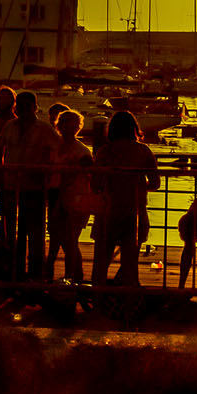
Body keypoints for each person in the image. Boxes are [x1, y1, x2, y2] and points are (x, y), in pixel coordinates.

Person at [0, 90, 60, 284]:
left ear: (34, 107)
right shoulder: (10, 126)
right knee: (12, 231)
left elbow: (59, 150)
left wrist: (46, 171)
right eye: (19, 106)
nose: (23, 110)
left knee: (35, 232)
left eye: (27, 106)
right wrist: (0, 171)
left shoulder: (45, 129)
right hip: (11, 185)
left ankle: (36, 274)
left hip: (34, 188)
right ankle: (15, 271)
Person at [92, 111, 159, 287]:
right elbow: (155, 182)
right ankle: (128, 294)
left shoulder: (105, 151)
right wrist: (138, 186)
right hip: (135, 209)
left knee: (101, 260)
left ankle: (98, 294)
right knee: (130, 261)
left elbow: (95, 184)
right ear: (134, 128)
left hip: (108, 210)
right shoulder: (143, 151)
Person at [47, 108, 96, 284]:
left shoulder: (82, 151)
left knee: (70, 238)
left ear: (77, 127)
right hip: (55, 193)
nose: (66, 127)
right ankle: (52, 272)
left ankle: (73, 275)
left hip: (76, 197)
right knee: (55, 237)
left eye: (71, 124)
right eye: (64, 123)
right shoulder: (54, 147)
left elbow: (88, 174)